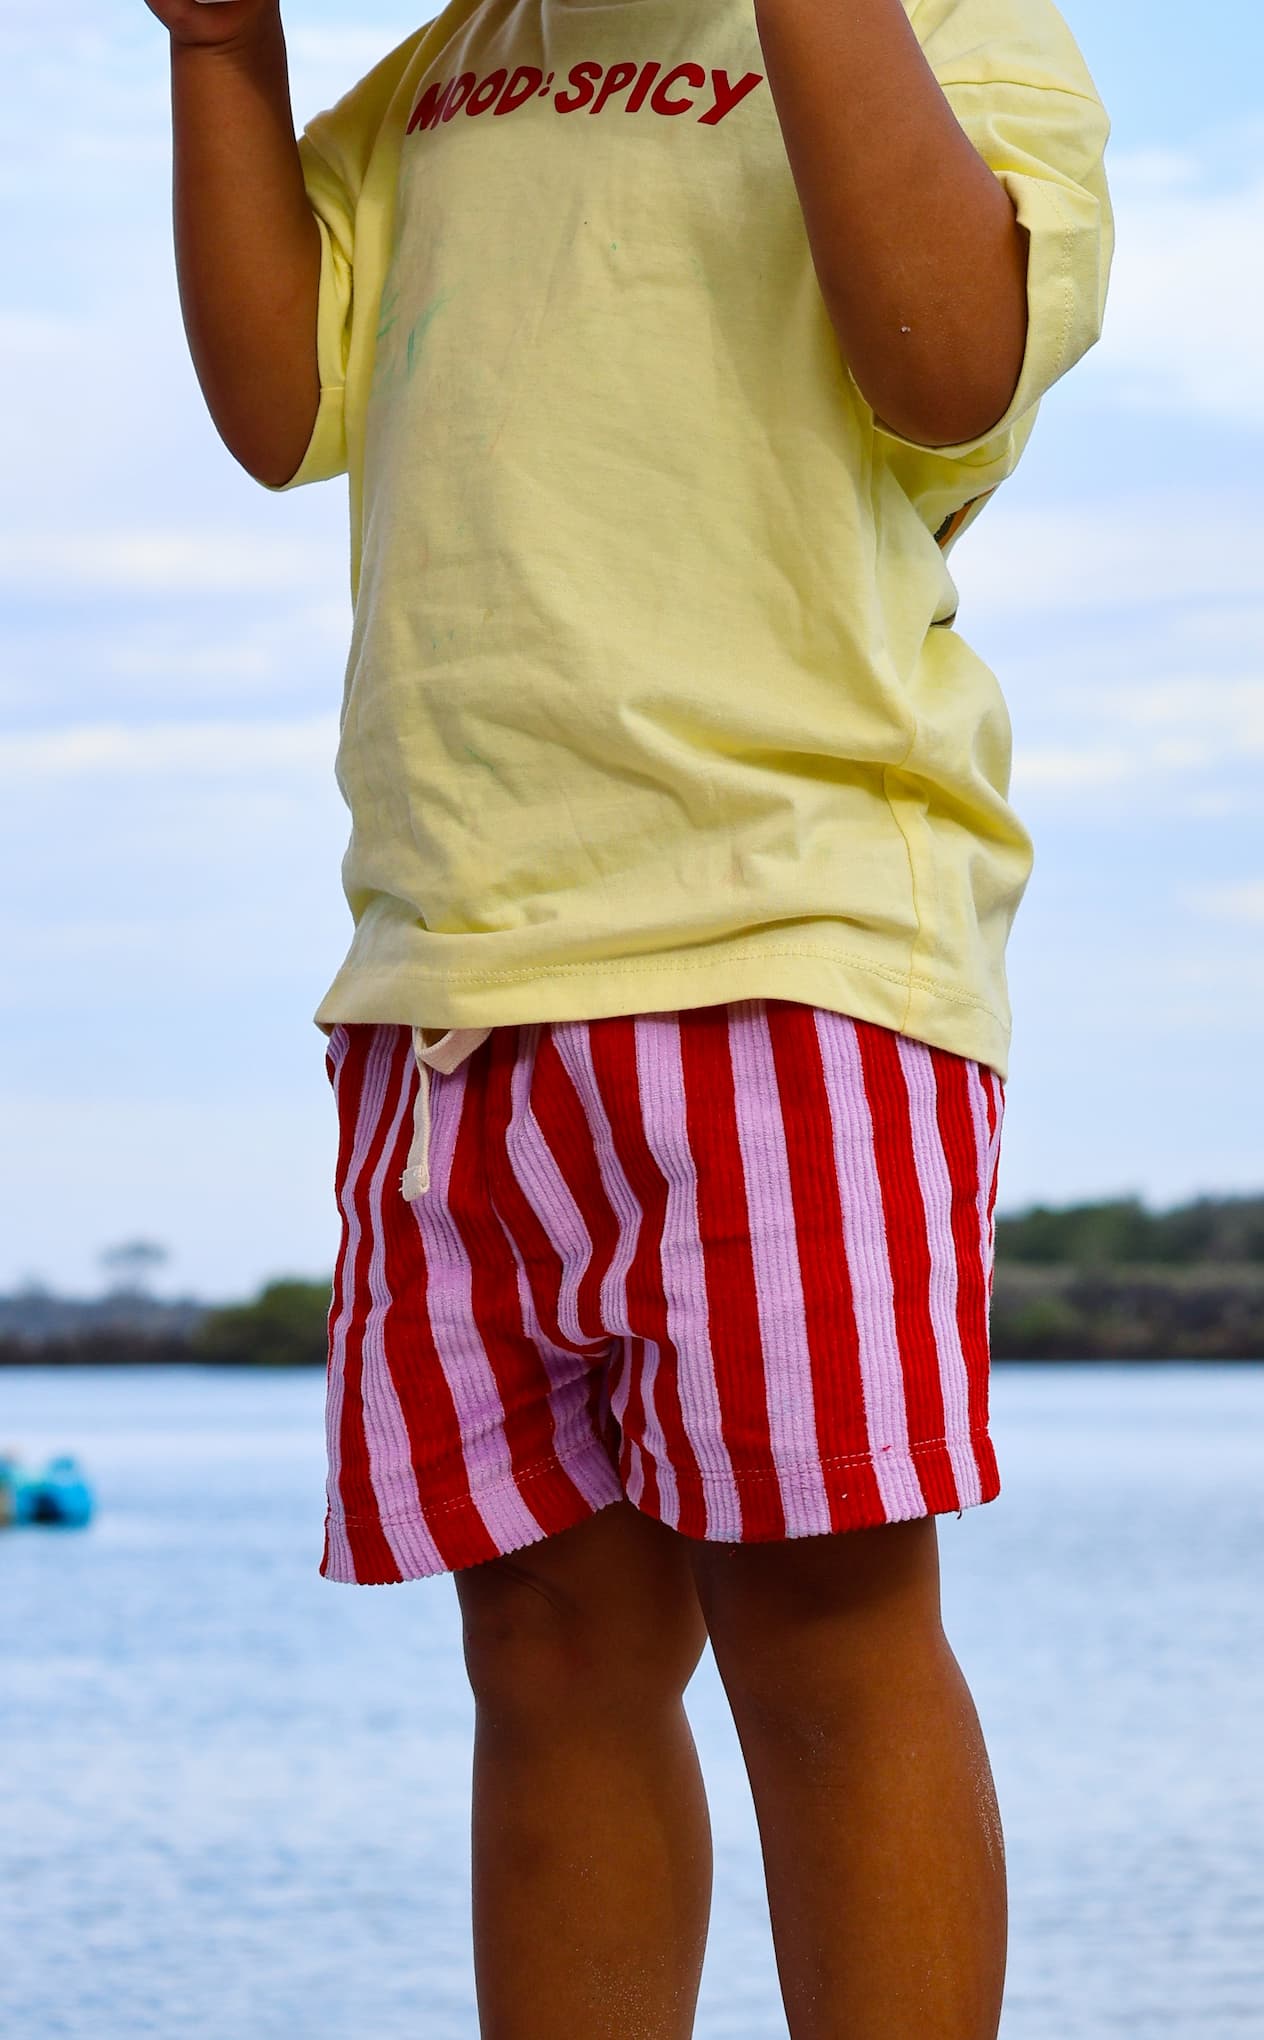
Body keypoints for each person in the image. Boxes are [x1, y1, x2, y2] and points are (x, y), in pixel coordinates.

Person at [149, 0, 1112, 2031]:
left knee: (821, 1620)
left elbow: (945, 367)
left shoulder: (957, 30)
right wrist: (220, 43)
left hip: (793, 937)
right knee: (548, 1647)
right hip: (455, 963)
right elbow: (270, 401)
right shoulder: (455, 62)